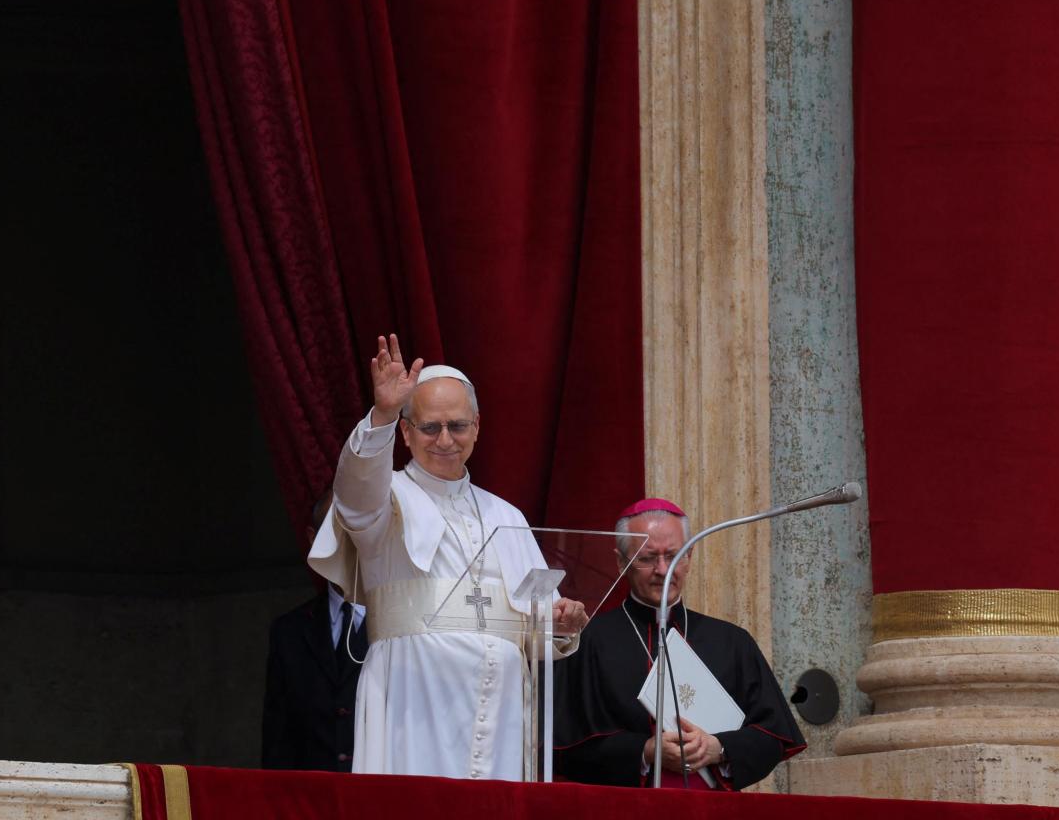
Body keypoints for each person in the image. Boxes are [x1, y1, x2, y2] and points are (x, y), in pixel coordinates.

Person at [308, 334, 588, 781]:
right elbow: (355, 496)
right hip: (413, 696)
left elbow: (535, 627)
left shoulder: (507, 514)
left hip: (501, 712)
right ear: (405, 431)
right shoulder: (388, 496)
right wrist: (381, 413)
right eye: (429, 427)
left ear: (477, 425)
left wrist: (559, 623)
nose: (445, 440)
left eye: (457, 426)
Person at [554, 498, 805, 789]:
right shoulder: (589, 641)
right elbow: (563, 748)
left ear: (689, 556)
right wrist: (646, 752)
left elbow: (773, 736)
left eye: (674, 556)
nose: (663, 570)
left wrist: (718, 748)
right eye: (648, 558)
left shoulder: (732, 641)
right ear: (621, 562)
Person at [261, 493, 368, 771]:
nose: (350, 544)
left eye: (359, 530)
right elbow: (278, 741)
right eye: (337, 532)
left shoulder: (401, 623)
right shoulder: (289, 632)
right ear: (314, 539)